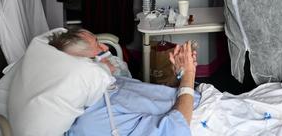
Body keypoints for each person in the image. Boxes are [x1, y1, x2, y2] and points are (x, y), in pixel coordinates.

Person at [49, 29, 199, 135]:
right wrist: (189, 75)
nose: (106, 47)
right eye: (97, 45)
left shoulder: (110, 81)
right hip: (201, 119)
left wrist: (179, 75)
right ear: (86, 64)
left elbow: (156, 100)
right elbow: (174, 130)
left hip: (196, 102)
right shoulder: (95, 120)